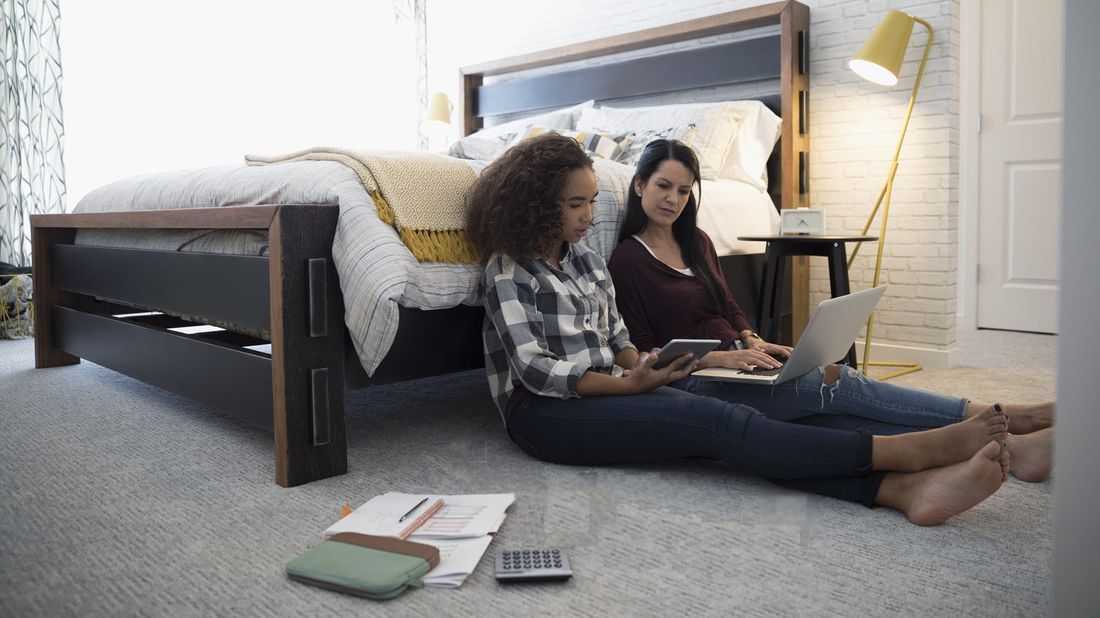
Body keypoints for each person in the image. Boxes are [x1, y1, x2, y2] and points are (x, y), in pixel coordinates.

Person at [466, 132, 1013, 526]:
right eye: (575, 204)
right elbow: (538, 371)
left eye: (590, 201)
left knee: (732, 425)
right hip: (545, 415)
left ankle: (902, 490)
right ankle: (903, 455)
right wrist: (631, 385)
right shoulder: (508, 270)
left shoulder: (585, 259)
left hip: (610, 387)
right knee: (711, 420)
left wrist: (646, 367)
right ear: (536, 207)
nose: (589, 214)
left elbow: (617, 339)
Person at [606, 139, 1053, 483]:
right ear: (640, 184)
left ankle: (1007, 446)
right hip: (698, 382)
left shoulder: (698, 242)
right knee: (834, 380)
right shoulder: (628, 260)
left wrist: (750, 338)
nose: (674, 199)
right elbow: (645, 353)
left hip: (741, 362)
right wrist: (717, 359)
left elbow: (730, 306)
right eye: (663, 186)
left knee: (828, 417)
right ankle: (1004, 415)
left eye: (684, 190)